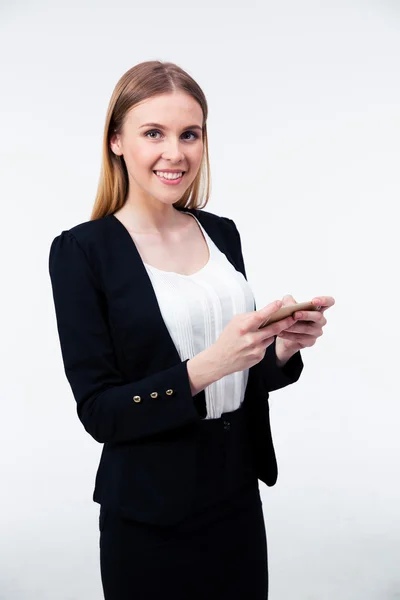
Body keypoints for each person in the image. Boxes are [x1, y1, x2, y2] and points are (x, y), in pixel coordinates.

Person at [48, 60, 334, 600]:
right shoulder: (82, 252)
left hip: (235, 493)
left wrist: (278, 350)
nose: (174, 153)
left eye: (190, 134)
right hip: (149, 509)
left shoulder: (221, 232)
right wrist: (211, 364)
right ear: (116, 140)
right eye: (153, 133)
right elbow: (100, 411)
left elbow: (244, 377)